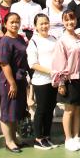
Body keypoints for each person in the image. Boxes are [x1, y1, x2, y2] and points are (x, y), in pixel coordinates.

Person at [51, 10, 80, 152]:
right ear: (63, 22)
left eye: (72, 19)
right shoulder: (62, 40)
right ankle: (68, 139)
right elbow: (59, 62)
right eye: (67, 20)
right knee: (69, 109)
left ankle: (76, 136)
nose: (70, 22)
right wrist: (61, 82)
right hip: (69, 77)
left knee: (78, 108)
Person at [0, 13, 28, 153]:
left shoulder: (20, 38)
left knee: (15, 110)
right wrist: (12, 83)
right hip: (9, 81)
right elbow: (4, 63)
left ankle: (14, 139)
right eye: (12, 22)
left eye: (17, 22)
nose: (15, 24)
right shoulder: (5, 41)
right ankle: (8, 141)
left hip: (20, 79)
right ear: (5, 24)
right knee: (7, 111)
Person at [26, 13, 58, 150]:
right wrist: (50, 71)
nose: (44, 26)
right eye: (41, 24)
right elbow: (33, 64)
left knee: (50, 109)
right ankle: (38, 138)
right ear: (35, 26)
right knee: (41, 110)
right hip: (41, 81)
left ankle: (46, 136)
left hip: (54, 80)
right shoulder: (33, 42)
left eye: (46, 23)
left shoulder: (54, 39)